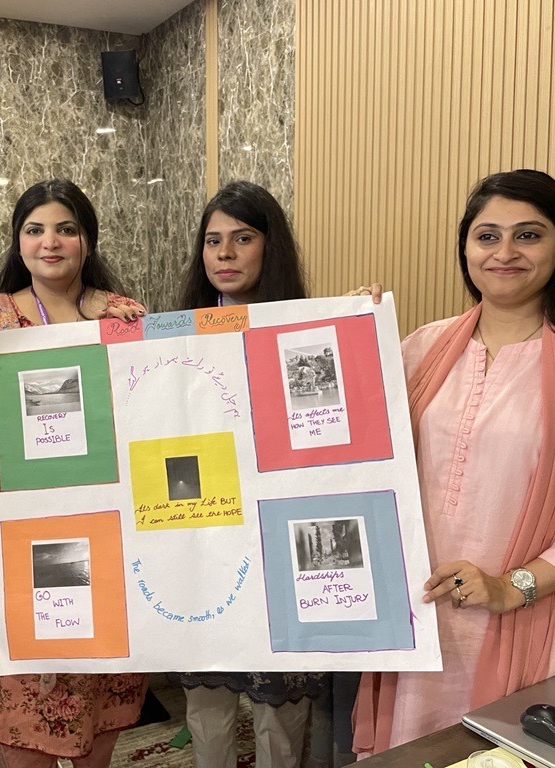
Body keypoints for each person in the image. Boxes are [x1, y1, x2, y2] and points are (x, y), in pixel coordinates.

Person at [352, 169, 555, 755]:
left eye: (528, 235)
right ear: (465, 248)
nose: (505, 252)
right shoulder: (418, 349)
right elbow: (354, 459)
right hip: (416, 614)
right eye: (487, 236)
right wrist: (350, 344)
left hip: (525, 621)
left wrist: (510, 587)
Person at [0, 179, 147, 768]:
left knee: (96, 657)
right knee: (25, 670)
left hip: (106, 519)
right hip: (17, 524)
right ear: (18, 241)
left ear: (87, 240)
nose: (49, 242)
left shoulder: (125, 316)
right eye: (35, 229)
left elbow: (148, 411)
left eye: (66, 229)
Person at [173, 180, 381, 768]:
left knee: (280, 705)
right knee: (207, 698)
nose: (225, 254)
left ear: (271, 248)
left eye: (242, 238)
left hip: (283, 536)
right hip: (204, 534)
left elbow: (348, 426)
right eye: (213, 241)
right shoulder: (174, 336)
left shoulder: (309, 333)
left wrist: (356, 323)